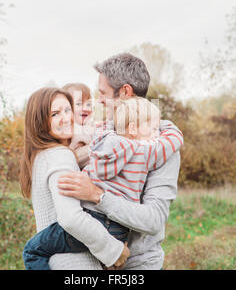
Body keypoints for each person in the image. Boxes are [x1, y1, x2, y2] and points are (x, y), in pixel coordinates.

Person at [22, 96, 183, 270]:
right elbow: (174, 140)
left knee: (31, 251)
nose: (156, 133)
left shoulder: (102, 144)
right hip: (120, 230)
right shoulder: (147, 152)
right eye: (55, 113)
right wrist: (168, 126)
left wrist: (112, 250)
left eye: (68, 110)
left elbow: (70, 219)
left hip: (94, 218)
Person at [56, 53, 182, 270]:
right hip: (96, 260)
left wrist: (97, 195)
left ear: (125, 92)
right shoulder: (104, 132)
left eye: (103, 93)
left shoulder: (160, 144)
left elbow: (154, 220)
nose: (99, 100)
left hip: (137, 265)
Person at [20, 87, 129, 270]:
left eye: (67, 110)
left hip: (55, 261)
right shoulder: (60, 156)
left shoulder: (40, 157)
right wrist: (114, 250)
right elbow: (70, 217)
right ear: (40, 121)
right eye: (55, 114)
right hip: (76, 263)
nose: (66, 118)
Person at [61, 83, 94, 169]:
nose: (86, 108)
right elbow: (75, 157)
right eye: (79, 104)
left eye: (88, 104)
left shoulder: (89, 126)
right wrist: (101, 146)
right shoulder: (71, 130)